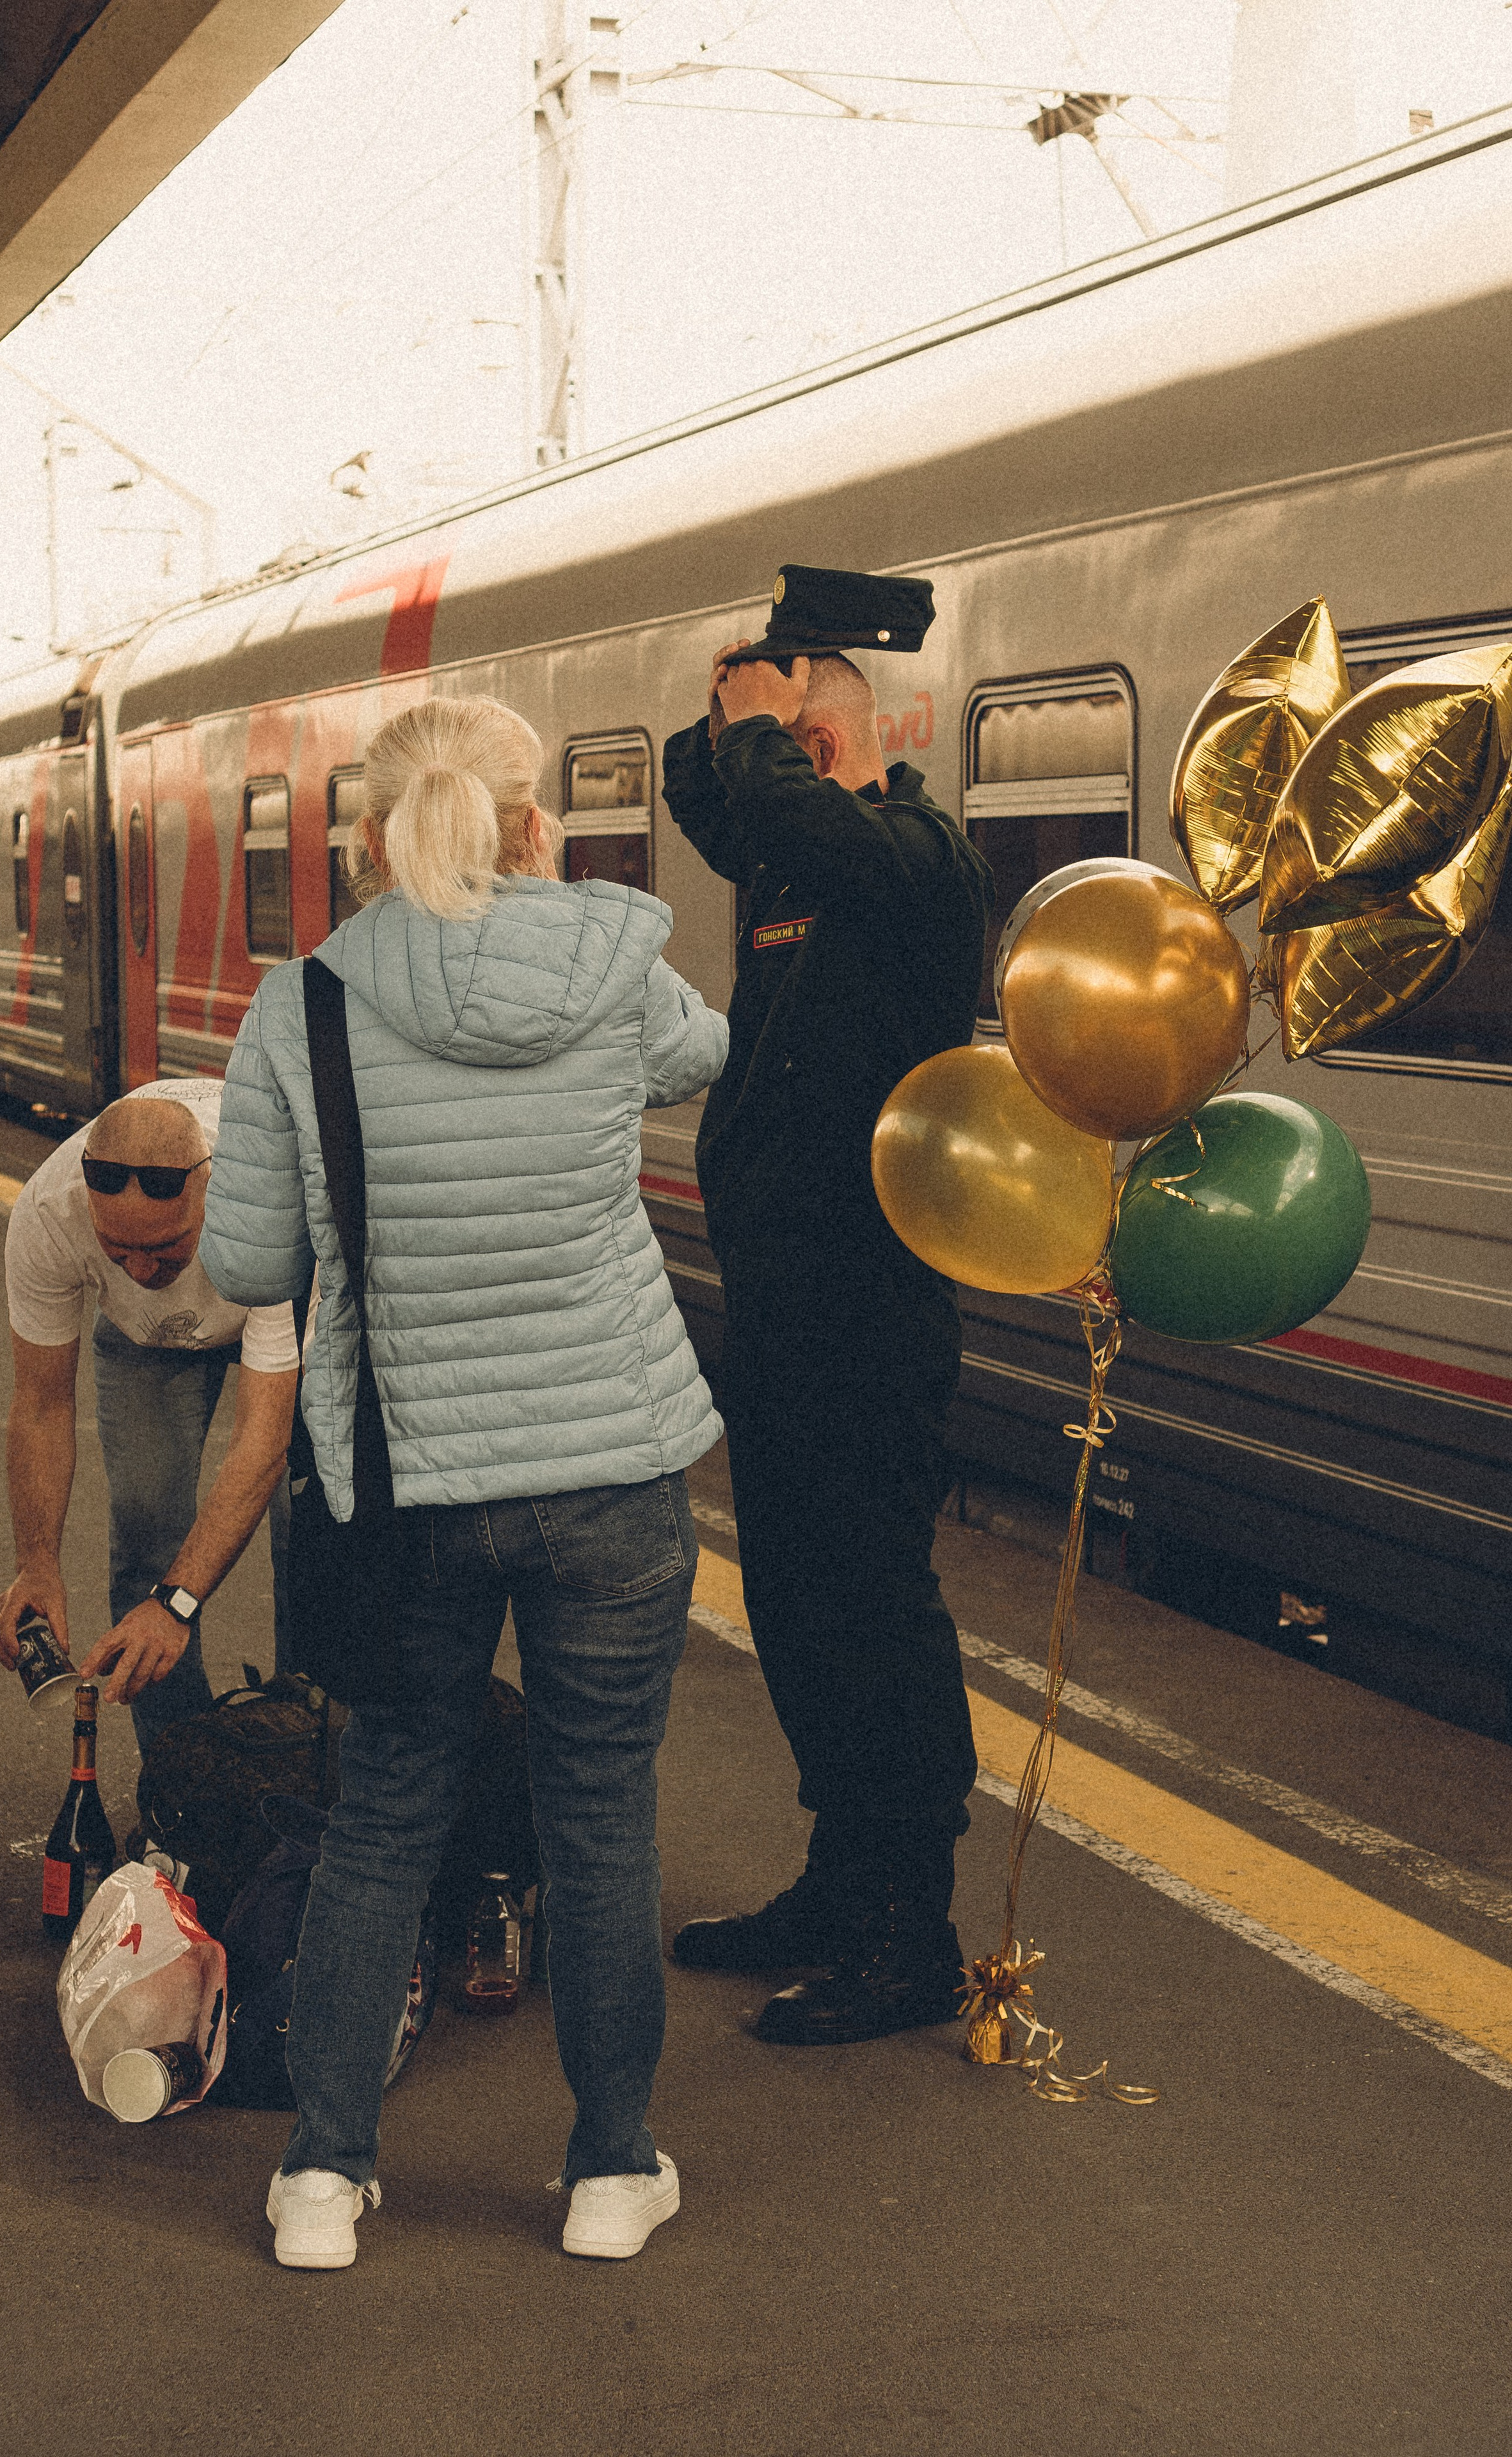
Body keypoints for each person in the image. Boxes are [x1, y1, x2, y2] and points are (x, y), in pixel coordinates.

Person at [198, 692, 727, 2271]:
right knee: (598, 1818)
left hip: (409, 1485)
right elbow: (701, 1052)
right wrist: (552, 908)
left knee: (384, 1815)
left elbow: (243, 1260)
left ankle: (321, 2176)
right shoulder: (612, 966)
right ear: (526, 821)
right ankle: (609, 2174)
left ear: (363, 833)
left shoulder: (299, 1009)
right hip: (612, 1467)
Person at [660, 563, 994, 2047]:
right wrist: (732, 693)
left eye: (787, 743)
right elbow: (709, 798)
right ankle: (831, 1876)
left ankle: (904, 1927)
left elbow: (774, 801)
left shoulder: (912, 855)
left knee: (868, 1607)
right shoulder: (794, 865)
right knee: (794, 1600)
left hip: (872, 1303)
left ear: (834, 745)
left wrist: (772, 728)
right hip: (787, 1297)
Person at [0, 1080, 299, 1748]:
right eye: (116, 1248)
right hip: (145, 1342)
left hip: (278, 1313)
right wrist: (36, 1564)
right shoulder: (48, 1211)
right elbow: (42, 1404)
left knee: (312, 1540)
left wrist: (180, 1602)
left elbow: (263, 1443)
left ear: (209, 1191)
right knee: (146, 1542)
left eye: (164, 1248)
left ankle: (310, 1749)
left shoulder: (272, 1200)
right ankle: (182, 1775)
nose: (137, 1268)